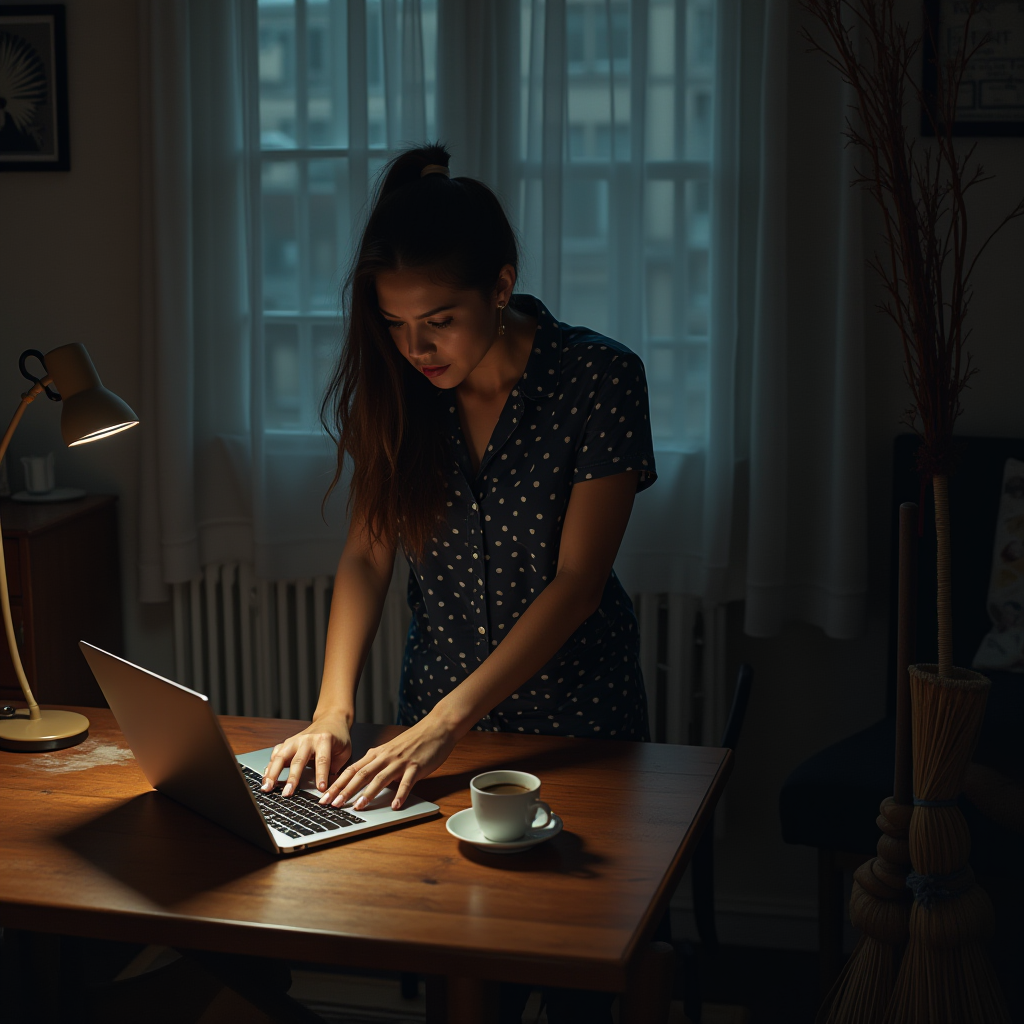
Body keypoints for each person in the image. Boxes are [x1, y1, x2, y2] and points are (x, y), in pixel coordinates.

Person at [261, 142, 657, 1023]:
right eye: (396, 326)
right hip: (436, 733)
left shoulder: (599, 378)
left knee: (576, 975)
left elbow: (578, 583)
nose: (416, 348)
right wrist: (332, 710)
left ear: (502, 286)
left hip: (577, 728)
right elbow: (367, 554)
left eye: (438, 320)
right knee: (459, 978)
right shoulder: (398, 392)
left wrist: (443, 725)